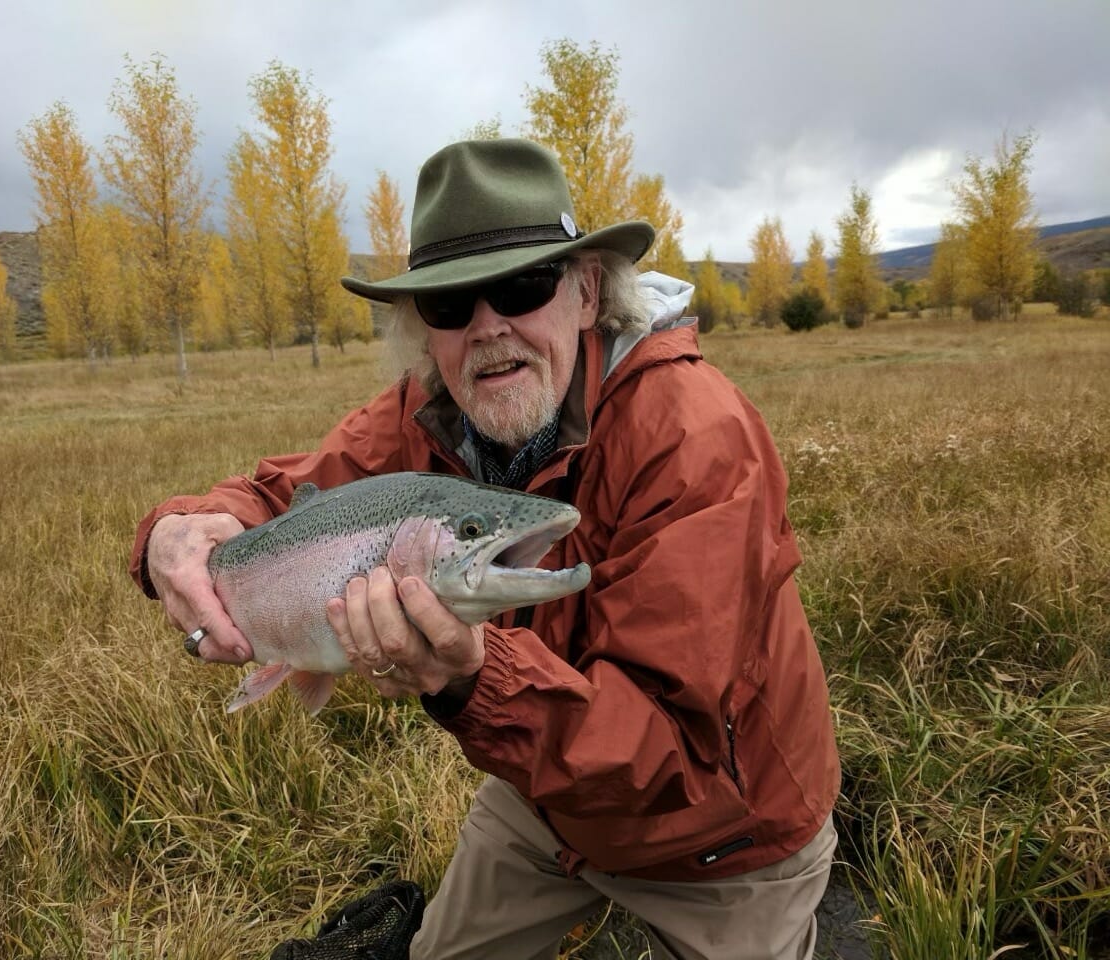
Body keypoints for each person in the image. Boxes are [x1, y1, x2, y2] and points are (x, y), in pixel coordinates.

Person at [129, 138, 840, 960]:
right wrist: (178, 530)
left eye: (521, 286)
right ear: (422, 331)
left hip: (725, 834)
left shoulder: (696, 437)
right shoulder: (432, 411)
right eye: (450, 305)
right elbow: (287, 496)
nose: (487, 328)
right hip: (546, 807)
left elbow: (664, 756)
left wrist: (469, 679)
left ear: (584, 293)